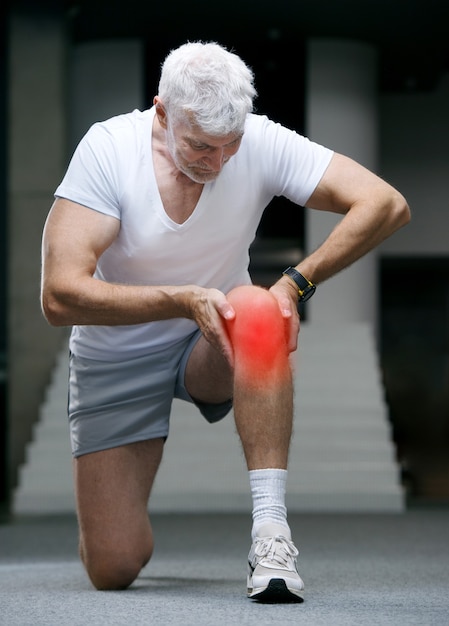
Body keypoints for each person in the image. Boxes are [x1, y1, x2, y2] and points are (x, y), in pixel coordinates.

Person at [41, 41, 410, 602]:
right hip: (115, 353)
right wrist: (183, 299)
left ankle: (271, 531)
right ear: (162, 113)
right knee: (114, 566)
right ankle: (105, 529)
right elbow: (59, 296)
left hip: (211, 340)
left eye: (230, 146)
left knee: (262, 305)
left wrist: (296, 282)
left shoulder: (258, 139)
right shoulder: (109, 149)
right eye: (200, 147)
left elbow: (385, 204)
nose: (217, 163)